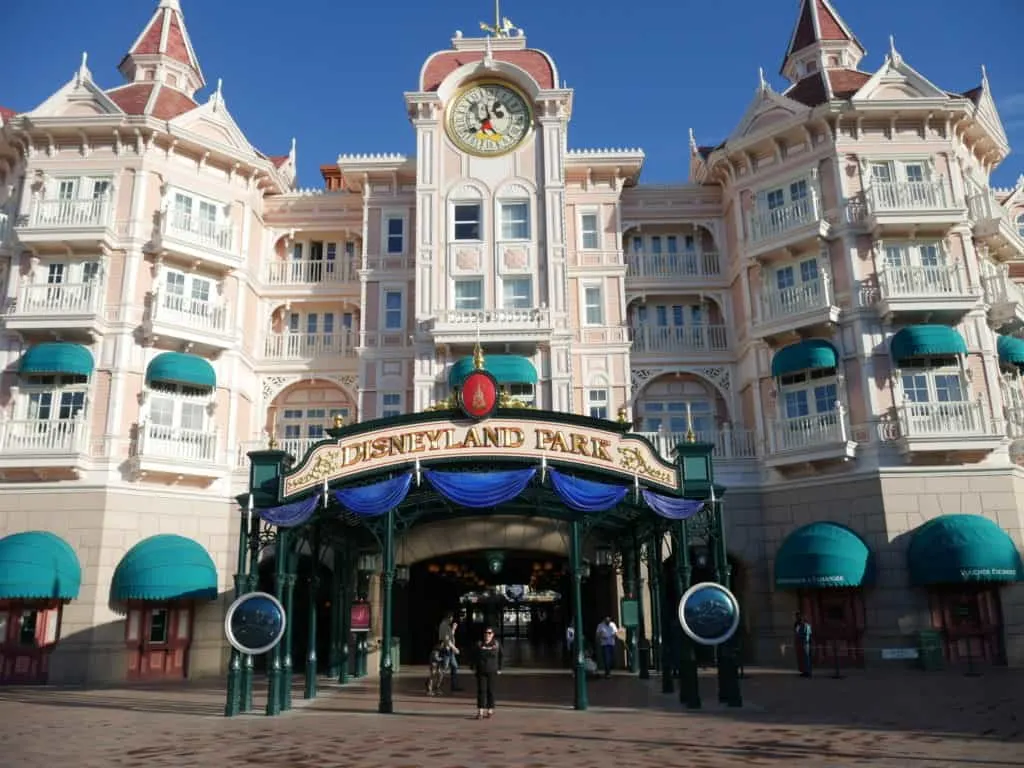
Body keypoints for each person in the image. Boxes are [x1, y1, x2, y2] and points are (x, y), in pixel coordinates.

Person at [474, 626, 502, 719]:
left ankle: (490, 709)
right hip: (481, 671)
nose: (487, 635)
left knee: (491, 691)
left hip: (492, 670)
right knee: (481, 691)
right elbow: (474, 657)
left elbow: (501, 656)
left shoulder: (496, 644)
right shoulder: (479, 644)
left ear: (493, 634)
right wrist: (474, 668)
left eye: (489, 633)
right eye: (486, 633)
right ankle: (480, 711)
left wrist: (499, 668)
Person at [438, 612, 461, 691]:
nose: (452, 619)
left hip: (450, 650)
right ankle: (435, 684)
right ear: (448, 618)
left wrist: (453, 629)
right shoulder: (443, 626)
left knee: (454, 666)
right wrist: (454, 648)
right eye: (451, 618)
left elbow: (450, 636)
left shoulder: (447, 626)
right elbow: (446, 639)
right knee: (444, 668)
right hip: (446, 649)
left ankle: (453, 686)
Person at [794, 612, 812, 678]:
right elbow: (797, 633)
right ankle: (804, 671)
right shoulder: (799, 625)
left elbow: (807, 634)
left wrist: (805, 641)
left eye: (800, 617)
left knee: (806, 658)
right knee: (803, 658)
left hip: (805, 643)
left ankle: (808, 672)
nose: (799, 618)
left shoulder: (806, 625)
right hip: (801, 642)